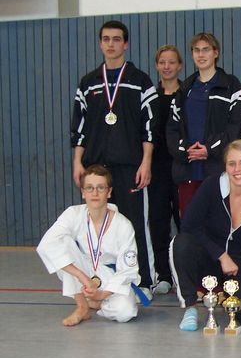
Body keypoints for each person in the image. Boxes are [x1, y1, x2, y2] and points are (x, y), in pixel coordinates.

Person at [71, 20, 157, 297]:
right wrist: (77, 163)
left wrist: (146, 162)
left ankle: (143, 282)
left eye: (116, 39)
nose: (111, 44)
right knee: (95, 226)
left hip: (130, 167)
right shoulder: (88, 83)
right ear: (100, 44)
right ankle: (97, 281)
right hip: (95, 169)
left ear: (126, 44)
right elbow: (79, 129)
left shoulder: (140, 80)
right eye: (106, 39)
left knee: (135, 224)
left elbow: (149, 127)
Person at [170, 140, 241, 331]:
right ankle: (190, 306)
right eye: (232, 164)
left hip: (239, 264)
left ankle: (227, 295)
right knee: (181, 243)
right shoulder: (211, 186)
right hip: (209, 257)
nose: (237, 169)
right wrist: (221, 255)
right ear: (225, 166)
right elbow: (188, 225)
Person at [37, 165, 139, 326]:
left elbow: (127, 270)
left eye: (101, 188)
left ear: (109, 192)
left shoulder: (123, 225)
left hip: (110, 275)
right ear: (83, 192)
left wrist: (101, 295)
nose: (95, 193)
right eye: (90, 188)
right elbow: (46, 244)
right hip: (84, 269)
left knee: (125, 312)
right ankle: (82, 306)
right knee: (62, 242)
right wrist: (81, 276)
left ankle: (98, 303)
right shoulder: (73, 214)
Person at [166, 32, 241, 215]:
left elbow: (237, 125)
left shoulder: (230, 85)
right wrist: (185, 151)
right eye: (196, 50)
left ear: (215, 53)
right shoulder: (185, 89)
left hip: (218, 171)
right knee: (190, 225)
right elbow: (172, 128)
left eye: (206, 50)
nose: (201, 55)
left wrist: (210, 150)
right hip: (188, 171)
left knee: (220, 224)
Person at [149, 44, 183, 294]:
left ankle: (185, 273)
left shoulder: (188, 94)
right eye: (162, 62)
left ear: (180, 66)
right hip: (157, 169)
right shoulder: (151, 97)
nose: (167, 66)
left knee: (185, 222)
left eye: (172, 62)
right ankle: (163, 275)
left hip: (182, 168)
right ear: (157, 66)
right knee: (159, 222)